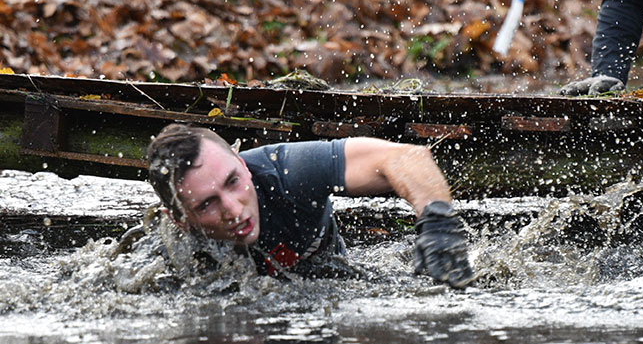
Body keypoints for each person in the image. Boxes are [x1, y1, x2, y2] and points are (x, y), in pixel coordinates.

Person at [145, 123, 474, 288]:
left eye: (233, 182)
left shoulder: (288, 173)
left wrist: (439, 223)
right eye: (207, 205)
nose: (233, 209)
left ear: (242, 164)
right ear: (180, 220)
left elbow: (405, 157)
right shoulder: (168, 257)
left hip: (327, 282)